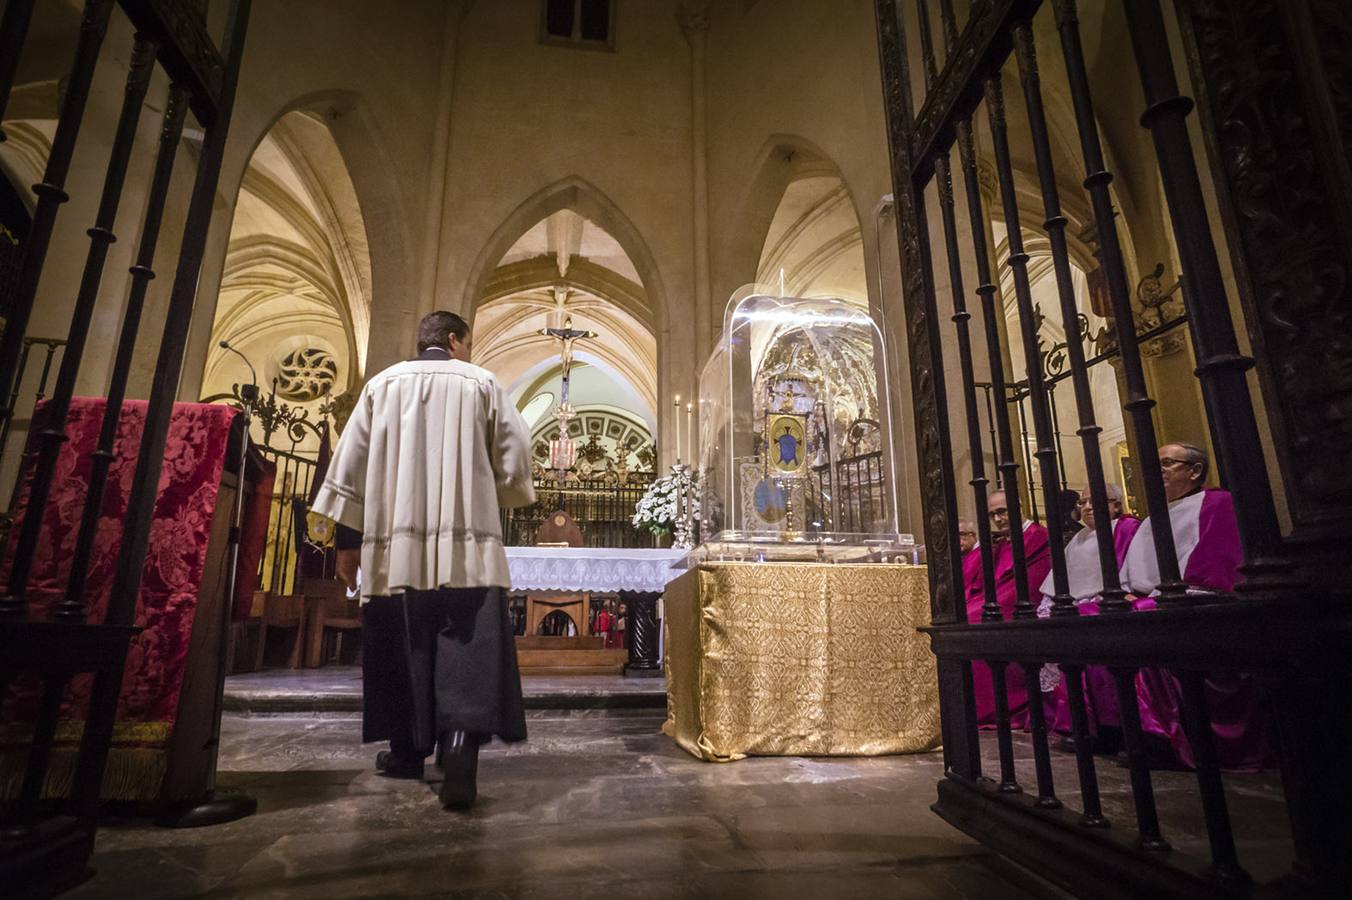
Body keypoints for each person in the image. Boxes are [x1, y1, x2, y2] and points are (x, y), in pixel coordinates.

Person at [312, 310, 536, 809]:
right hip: (467, 549)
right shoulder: (482, 384)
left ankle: (408, 751)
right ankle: (459, 749)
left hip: (397, 551)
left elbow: (349, 467)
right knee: (465, 648)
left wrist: (347, 545)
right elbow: (516, 456)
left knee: (405, 645)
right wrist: (491, 491)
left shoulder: (382, 385)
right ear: (455, 341)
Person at [1117, 441, 1272, 771]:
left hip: (1201, 607)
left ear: (1195, 470)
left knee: (1146, 619)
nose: (1156, 472)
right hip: (1154, 602)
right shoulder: (1152, 517)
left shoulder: (1217, 504)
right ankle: (1133, 734)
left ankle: (1165, 739)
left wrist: (1155, 597)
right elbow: (1130, 576)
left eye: (1166, 464)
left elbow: (1215, 571)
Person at [1040, 484, 1140, 752]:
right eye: (1083, 503)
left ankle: (1111, 728)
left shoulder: (1127, 529)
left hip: (1113, 604)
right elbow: (1061, 582)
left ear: (1116, 505)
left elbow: (1134, 573)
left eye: (1094, 501)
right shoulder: (1080, 537)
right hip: (1078, 605)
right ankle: (1084, 725)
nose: (1086, 507)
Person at [963, 490, 1052, 729]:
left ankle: (992, 708)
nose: (998, 519)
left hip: (1022, 608)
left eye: (1002, 511)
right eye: (993, 514)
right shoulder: (1003, 543)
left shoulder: (1039, 536)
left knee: (972, 620)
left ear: (1018, 506)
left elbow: (1033, 583)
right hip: (999, 602)